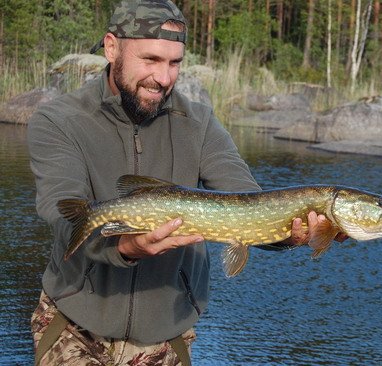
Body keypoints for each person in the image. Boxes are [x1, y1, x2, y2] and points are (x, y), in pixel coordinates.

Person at [27, 1, 336, 365]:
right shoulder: (59, 120)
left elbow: (248, 201)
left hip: (165, 338)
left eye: (174, 63)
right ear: (111, 48)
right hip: (74, 326)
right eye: (151, 60)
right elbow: (62, 213)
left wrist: (288, 232)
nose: (163, 78)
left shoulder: (199, 122)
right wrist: (125, 247)